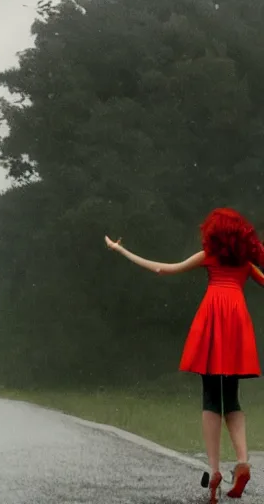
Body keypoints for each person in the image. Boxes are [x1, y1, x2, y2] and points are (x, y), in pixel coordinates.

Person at [105, 207, 264, 500]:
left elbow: (163, 268)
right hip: (237, 320)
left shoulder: (210, 256)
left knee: (210, 398)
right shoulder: (246, 260)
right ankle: (242, 462)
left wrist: (121, 250)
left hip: (213, 318)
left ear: (214, 232)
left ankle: (214, 471)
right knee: (232, 396)